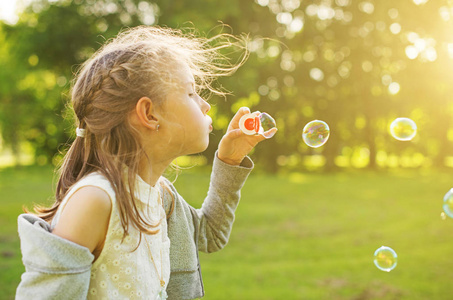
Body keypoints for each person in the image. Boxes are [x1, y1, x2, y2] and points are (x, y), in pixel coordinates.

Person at [16, 25, 277, 300]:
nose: (205, 105)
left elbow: (210, 234)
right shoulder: (95, 200)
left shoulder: (160, 196)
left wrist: (230, 160)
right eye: (191, 93)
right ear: (149, 114)